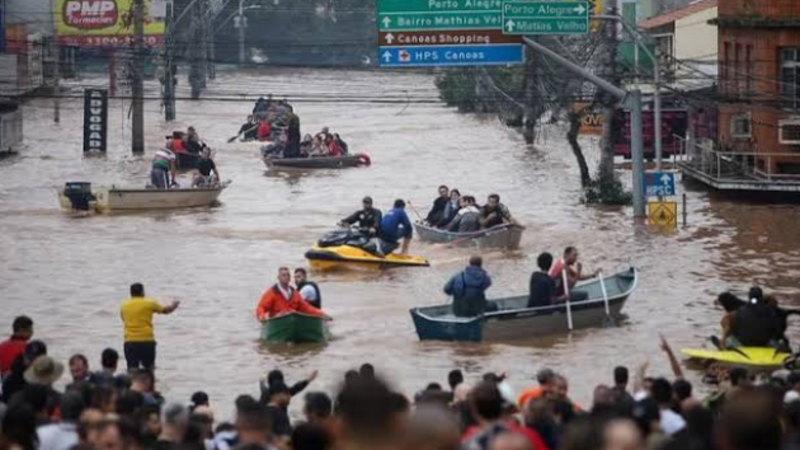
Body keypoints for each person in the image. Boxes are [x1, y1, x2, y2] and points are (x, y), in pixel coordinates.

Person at [120, 283, 180, 371]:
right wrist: (174, 305)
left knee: (132, 370)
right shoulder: (150, 303)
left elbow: (124, 319)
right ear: (142, 292)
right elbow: (166, 310)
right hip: (146, 340)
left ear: (131, 293)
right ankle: (150, 384)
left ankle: (133, 384)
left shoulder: (124, 306)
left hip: (130, 341)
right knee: (149, 370)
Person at [255, 267, 327, 321]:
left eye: (288, 275)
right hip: (277, 321)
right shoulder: (271, 292)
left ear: (290, 278)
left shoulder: (295, 293)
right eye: (283, 275)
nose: (286, 277)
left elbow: (307, 308)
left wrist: (322, 314)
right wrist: (261, 316)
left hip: (292, 321)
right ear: (278, 277)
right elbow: (261, 307)